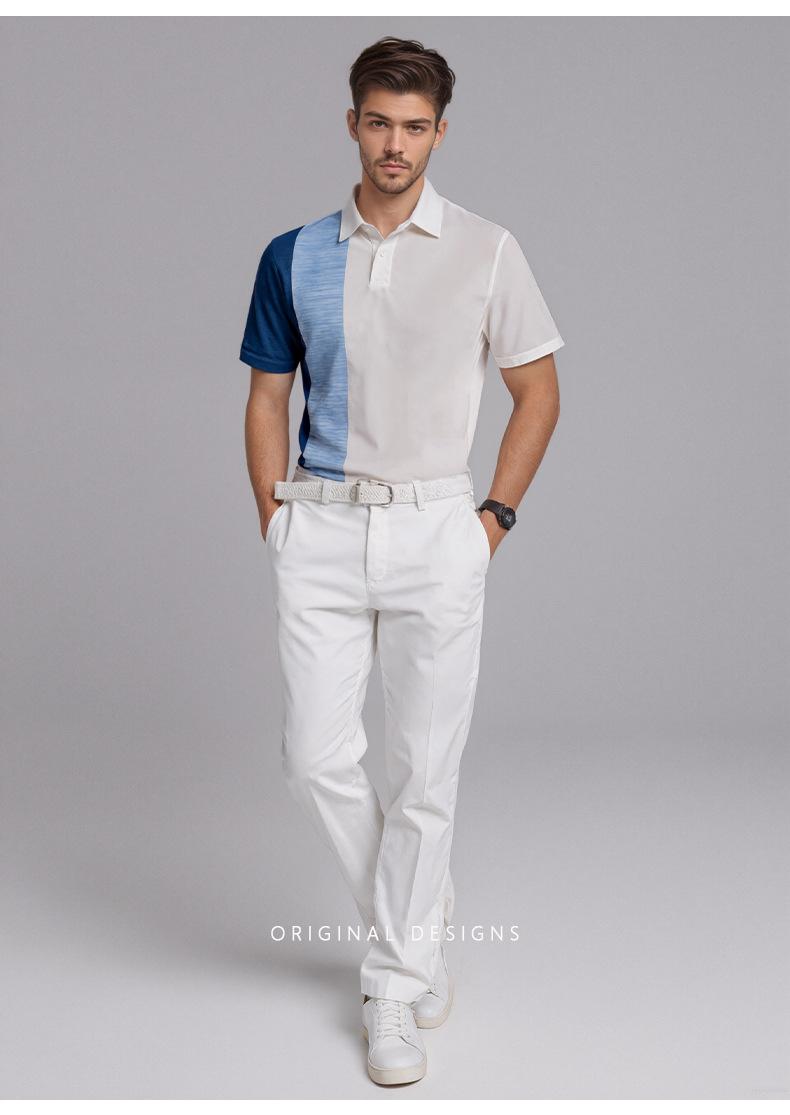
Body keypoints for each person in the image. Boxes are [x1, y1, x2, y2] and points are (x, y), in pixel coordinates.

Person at [240, 36, 563, 1086]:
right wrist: (275, 520)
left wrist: (491, 519)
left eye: (414, 127)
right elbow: (267, 396)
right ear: (352, 124)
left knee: (425, 767)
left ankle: (391, 987)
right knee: (315, 757)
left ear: (439, 133)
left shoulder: (487, 249)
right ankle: (419, 920)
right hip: (322, 526)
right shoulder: (292, 254)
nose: (394, 143)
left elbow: (538, 391)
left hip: (436, 531)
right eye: (378, 122)